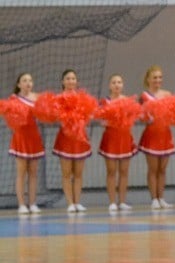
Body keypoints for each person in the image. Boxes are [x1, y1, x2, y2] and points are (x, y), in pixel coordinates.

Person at [37, 69, 97, 214]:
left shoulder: (84, 99)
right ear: (63, 82)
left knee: (78, 174)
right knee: (66, 173)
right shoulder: (58, 99)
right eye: (68, 79)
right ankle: (70, 203)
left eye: (73, 79)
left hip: (80, 138)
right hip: (65, 138)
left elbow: (89, 116)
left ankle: (77, 202)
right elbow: (52, 116)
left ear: (77, 81)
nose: (71, 81)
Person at [0, 73, 44, 214]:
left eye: (30, 80)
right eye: (24, 80)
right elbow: (9, 117)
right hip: (21, 137)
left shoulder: (37, 97)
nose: (28, 83)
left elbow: (45, 115)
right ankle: (21, 204)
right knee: (21, 173)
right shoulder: (13, 99)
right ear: (19, 84)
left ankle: (32, 203)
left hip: (34, 137)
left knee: (33, 173)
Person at [97, 74, 141, 213]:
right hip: (110, 138)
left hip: (124, 138)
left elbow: (134, 118)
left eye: (119, 82)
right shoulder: (105, 102)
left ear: (122, 85)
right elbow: (101, 121)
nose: (117, 85)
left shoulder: (129, 101)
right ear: (110, 86)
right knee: (111, 171)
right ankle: (112, 202)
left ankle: (122, 201)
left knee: (124, 172)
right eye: (114, 82)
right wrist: (109, 120)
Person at [138, 65, 175, 210]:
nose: (157, 80)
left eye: (160, 77)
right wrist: (146, 115)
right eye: (154, 77)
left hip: (165, 133)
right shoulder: (144, 96)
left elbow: (174, 113)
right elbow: (141, 117)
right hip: (152, 134)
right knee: (153, 169)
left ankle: (161, 198)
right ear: (148, 79)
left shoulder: (167, 94)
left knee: (163, 169)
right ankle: (153, 199)